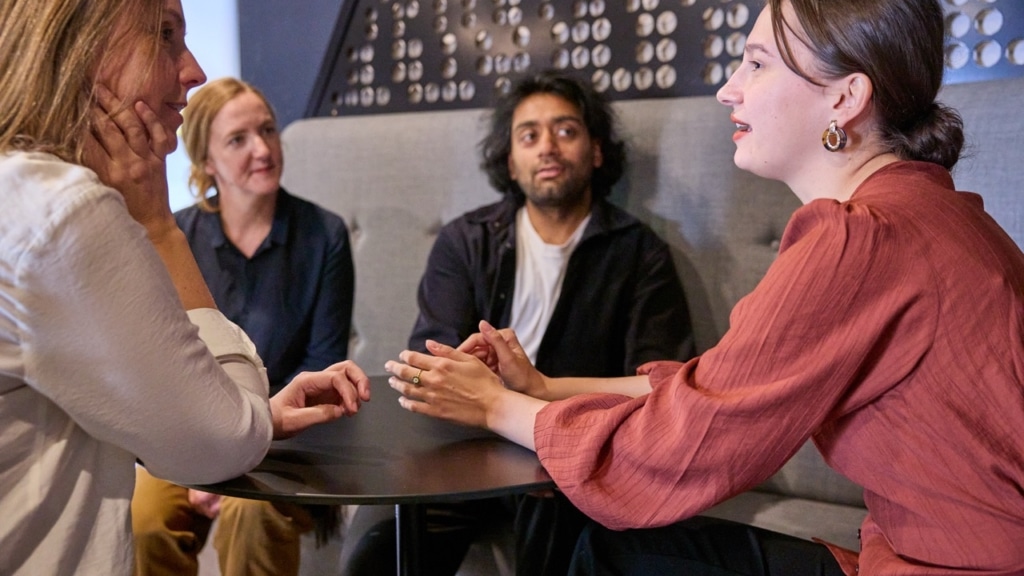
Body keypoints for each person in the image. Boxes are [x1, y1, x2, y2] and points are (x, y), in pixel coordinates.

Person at [383, 0, 1024, 574]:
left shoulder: (859, 238)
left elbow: (678, 447)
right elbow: (724, 380)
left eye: (756, 64)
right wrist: (547, 389)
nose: (727, 90)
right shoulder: (932, 210)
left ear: (845, 97)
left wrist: (498, 407)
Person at [0, 1, 370, 575]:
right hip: (198, 443)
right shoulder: (70, 216)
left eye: (267, 131)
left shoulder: (321, 233)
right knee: (153, 513)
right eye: (165, 33)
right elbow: (216, 442)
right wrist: (157, 228)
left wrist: (254, 421)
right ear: (79, 39)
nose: (195, 70)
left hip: (237, 434)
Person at [341, 71, 693, 576]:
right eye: (529, 135)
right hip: (464, 447)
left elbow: (663, 390)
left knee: (557, 522)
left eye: (566, 131)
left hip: (570, 454)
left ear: (596, 151)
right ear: (510, 160)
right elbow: (420, 368)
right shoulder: (466, 241)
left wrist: (551, 425)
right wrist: (456, 365)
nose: (547, 147)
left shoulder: (641, 255)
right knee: (378, 546)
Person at [131, 77, 355, 576]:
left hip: (288, 440)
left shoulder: (324, 235)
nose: (263, 148)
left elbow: (322, 368)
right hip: (189, 434)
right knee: (145, 519)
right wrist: (205, 457)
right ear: (206, 162)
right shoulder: (177, 238)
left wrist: (235, 454)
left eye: (269, 130)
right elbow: (162, 364)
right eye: (239, 139)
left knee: (249, 509)